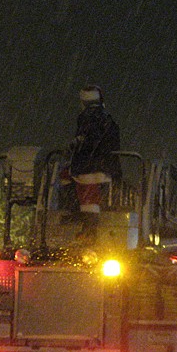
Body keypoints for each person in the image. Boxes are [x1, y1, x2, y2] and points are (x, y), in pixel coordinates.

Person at [68, 85, 121, 240]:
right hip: (107, 167)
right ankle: (88, 220)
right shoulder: (108, 119)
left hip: (88, 167)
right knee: (92, 193)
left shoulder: (85, 118)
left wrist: (75, 146)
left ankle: (82, 219)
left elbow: (86, 141)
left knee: (71, 180)